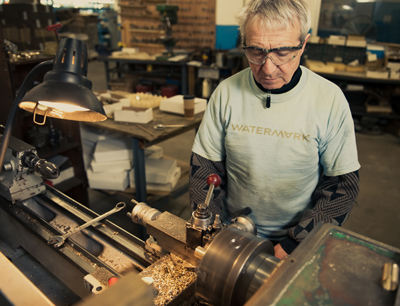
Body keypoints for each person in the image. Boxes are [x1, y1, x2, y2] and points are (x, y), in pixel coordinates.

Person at [189, 0, 361, 259]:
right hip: (230, 233)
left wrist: (295, 243)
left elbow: (342, 187)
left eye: (282, 52)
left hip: (297, 239)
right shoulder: (226, 92)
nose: (267, 69)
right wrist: (211, 230)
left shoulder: (329, 100)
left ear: (304, 43)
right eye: (256, 52)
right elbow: (204, 169)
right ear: (244, 43)